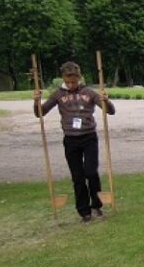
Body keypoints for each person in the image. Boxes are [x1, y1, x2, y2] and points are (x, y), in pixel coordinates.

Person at [33, 61, 115, 223]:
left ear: (79, 78)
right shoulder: (58, 94)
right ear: (63, 78)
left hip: (89, 137)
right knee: (77, 177)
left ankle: (96, 205)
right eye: (68, 81)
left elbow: (110, 112)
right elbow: (40, 113)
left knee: (91, 172)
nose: (71, 85)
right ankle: (84, 211)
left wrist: (106, 101)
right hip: (70, 140)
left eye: (74, 81)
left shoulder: (89, 93)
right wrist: (36, 102)